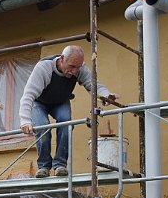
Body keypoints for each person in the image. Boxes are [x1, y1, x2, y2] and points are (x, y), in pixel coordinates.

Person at [19, 45, 119, 178]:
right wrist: (25, 120)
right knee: (42, 127)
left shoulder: (80, 68)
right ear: (62, 59)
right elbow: (28, 96)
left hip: (60, 101)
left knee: (66, 123)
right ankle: (44, 167)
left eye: (77, 67)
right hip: (39, 102)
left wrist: (105, 95)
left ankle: (60, 165)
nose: (74, 71)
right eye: (71, 66)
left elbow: (94, 86)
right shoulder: (44, 67)